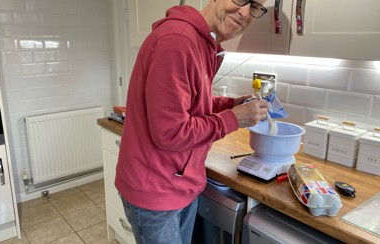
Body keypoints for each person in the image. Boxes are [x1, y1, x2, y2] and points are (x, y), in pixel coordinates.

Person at [115, 0, 269, 243]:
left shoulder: (202, 43)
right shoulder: (177, 41)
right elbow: (170, 132)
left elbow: (192, 104)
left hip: (180, 183)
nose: (245, 12)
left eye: (256, 7)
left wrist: (230, 105)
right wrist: (232, 119)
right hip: (156, 189)